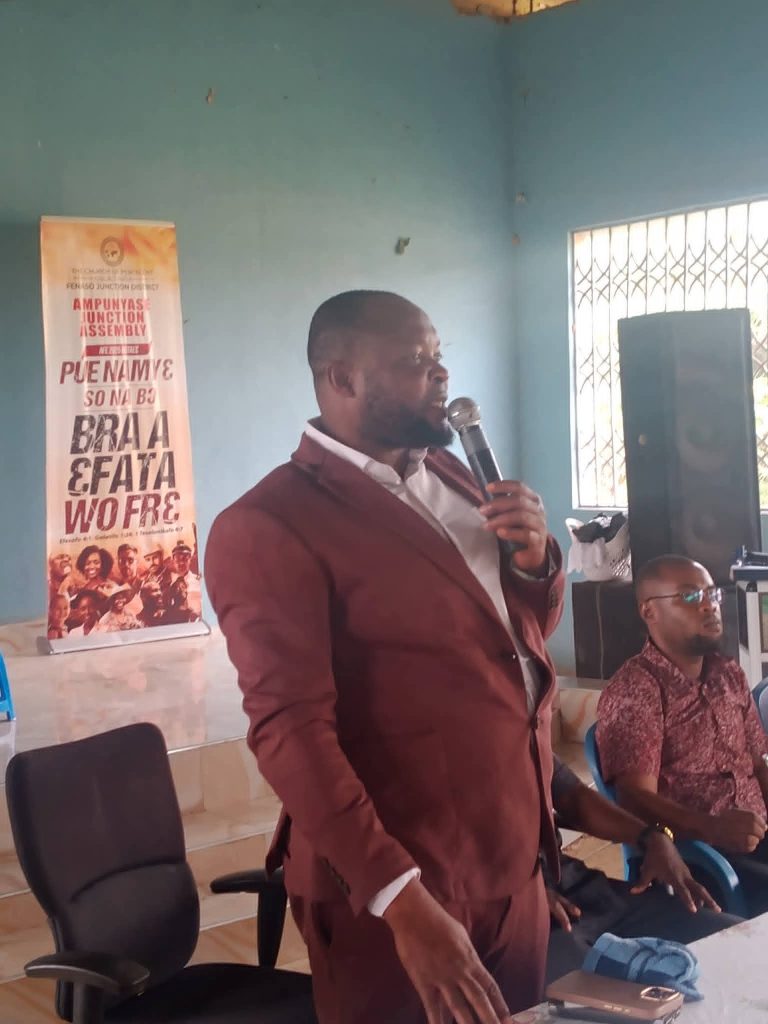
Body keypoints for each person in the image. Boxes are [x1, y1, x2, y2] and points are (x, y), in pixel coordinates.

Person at [205, 290, 566, 1024]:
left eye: (439, 356)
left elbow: (513, 640)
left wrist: (536, 564)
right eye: (414, 361)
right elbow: (291, 733)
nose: (441, 374)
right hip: (402, 887)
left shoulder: (457, 475)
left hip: (511, 858)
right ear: (341, 379)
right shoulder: (270, 524)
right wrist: (402, 902)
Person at [596, 555, 768, 917]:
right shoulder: (637, 689)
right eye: (690, 596)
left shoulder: (729, 674)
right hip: (702, 854)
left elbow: (756, 764)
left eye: (712, 593)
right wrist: (713, 828)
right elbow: (634, 797)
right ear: (649, 611)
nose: (709, 605)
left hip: (758, 835)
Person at [544, 756, 738, 983]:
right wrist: (518, 893)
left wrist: (652, 837)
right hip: (529, 918)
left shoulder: (526, 736)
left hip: (576, 884)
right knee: (599, 992)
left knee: (732, 942)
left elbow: (574, 797)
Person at [168, 541, 202, 616]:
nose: (181, 563)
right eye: (177, 560)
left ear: (190, 560)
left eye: (185, 559)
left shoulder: (198, 581)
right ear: (173, 562)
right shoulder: (170, 583)